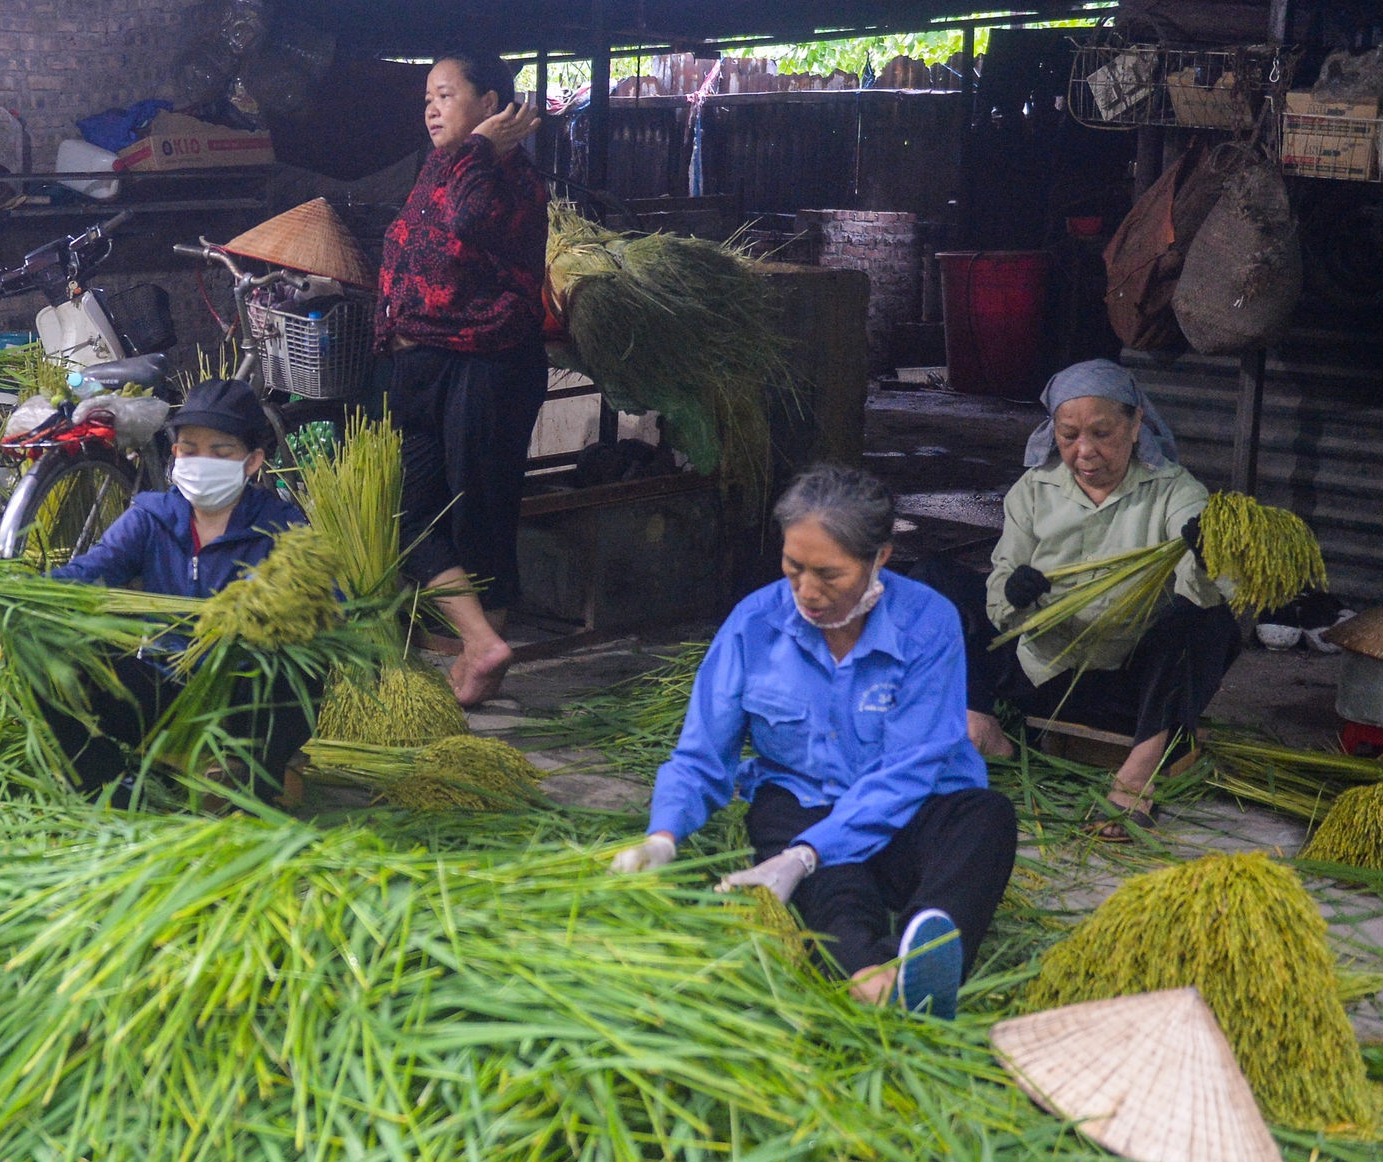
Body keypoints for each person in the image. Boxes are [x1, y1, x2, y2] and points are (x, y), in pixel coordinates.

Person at [612, 466, 1016, 1021]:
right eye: (793, 567)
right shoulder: (754, 624)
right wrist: (662, 836)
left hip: (910, 810)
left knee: (986, 818)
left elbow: (909, 771)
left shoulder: (928, 622)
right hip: (802, 801)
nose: (807, 591)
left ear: (881, 557)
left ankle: (926, 952)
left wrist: (808, 853)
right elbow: (703, 754)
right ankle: (875, 980)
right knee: (827, 884)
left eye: (829, 573)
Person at [910, 359, 1236, 840]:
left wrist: (1205, 553)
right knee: (931, 578)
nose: (1085, 452)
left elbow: (1202, 590)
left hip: (1127, 687)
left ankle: (1140, 770)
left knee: (1211, 620)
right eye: (1068, 436)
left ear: (1136, 423)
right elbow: (1001, 593)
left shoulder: (1176, 492)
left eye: (1103, 433)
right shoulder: (1034, 490)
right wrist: (1013, 595)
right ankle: (979, 724)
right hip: (1037, 673)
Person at [0, 379, 313, 804]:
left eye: (221, 451)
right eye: (190, 448)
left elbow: (328, 609)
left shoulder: (283, 527)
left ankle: (257, 777)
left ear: (252, 462)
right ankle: (108, 782)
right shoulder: (152, 517)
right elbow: (90, 571)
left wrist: (266, 613)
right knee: (39, 643)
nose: (202, 461)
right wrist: (19, 597)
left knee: (303, 671)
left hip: (242, 702)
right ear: (174, 453)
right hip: (166, 690)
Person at [377, 50, 548, 707]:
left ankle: (486, 660)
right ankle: (481, 640)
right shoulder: (445, 165)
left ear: (490, 102)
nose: (430, 108)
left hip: (488, 361)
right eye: (428, 96)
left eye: (446, 94)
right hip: (422, 359)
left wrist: (478, 147)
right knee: (407, 508)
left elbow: (467, 222)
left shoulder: (511, 176)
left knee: (480, 508)